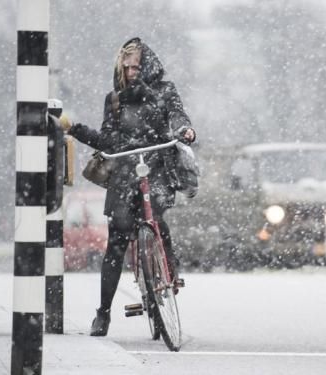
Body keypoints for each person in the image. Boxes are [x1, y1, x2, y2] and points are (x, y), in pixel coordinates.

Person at [60, 37, 196, 336]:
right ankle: (103, 313)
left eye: (137, 65)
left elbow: (176, 115)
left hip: (157, 166)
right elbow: (109, 138)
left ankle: (168, 267)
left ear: (149, 65)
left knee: (156, 217)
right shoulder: (115, 98)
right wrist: (76, 130)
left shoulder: (164, 90)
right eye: (127, 66)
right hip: (124, 171)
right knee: (117, 242)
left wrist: (184, 130)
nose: (132, 71)